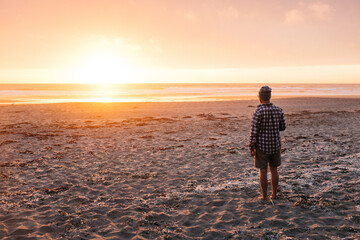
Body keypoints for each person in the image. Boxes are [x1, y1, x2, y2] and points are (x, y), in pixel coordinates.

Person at [249, 86, 286, 201]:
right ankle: (274, 194)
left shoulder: (258, 111)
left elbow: (254, 131)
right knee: (274, 170)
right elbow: (283, 127)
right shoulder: (278, 110)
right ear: (269, 97)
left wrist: (251, 145)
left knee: (263, 171)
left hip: (262, 146)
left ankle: (264, 196)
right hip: (275, 144)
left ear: (260, 97)